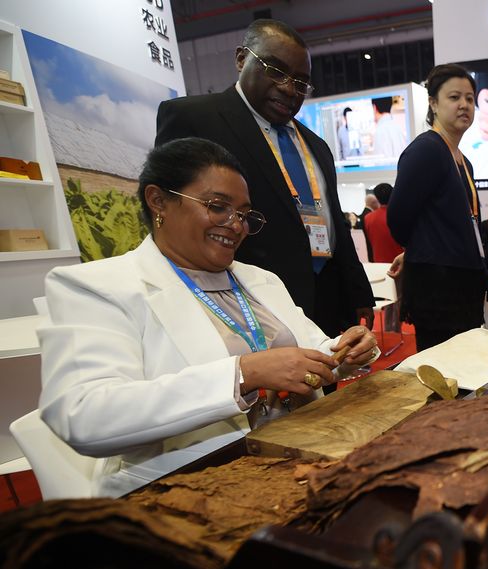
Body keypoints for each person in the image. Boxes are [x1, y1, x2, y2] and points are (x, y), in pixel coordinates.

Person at [37, 138, 378, 498]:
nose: (236, 225)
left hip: (303, 459)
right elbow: (83, 415)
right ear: (158, 201)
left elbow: (310, 351)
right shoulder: (98, 287)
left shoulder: (261, 280)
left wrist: (345, 351)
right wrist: (243, 374)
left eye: (243, 215)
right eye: (217, 207)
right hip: (189, 487)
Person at [155, 19, 375, 344]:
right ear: (241, 59)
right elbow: (172, 218)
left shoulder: (317, 146)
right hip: (243, 303)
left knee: (326, 372)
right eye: (276, 70)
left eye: (301, 82)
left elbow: (335, 225)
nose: (288, 88)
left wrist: (357, 290)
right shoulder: (194, 118)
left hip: (324, 298)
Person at [387, 63, 488, 351]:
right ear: (433, 103)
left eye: (469, 98)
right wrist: (420, 249)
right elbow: (398, 218)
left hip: (462, 283)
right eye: (454, 97)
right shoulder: (427, 150)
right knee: (443, 368)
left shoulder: (463, 160)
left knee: (466, 364)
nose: (464, 105)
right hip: (439, 290)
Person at [363, 182, 402, 264]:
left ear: (377, 198)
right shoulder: (400, 214)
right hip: (399, 263)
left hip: (378, 263)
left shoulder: (368, 218)